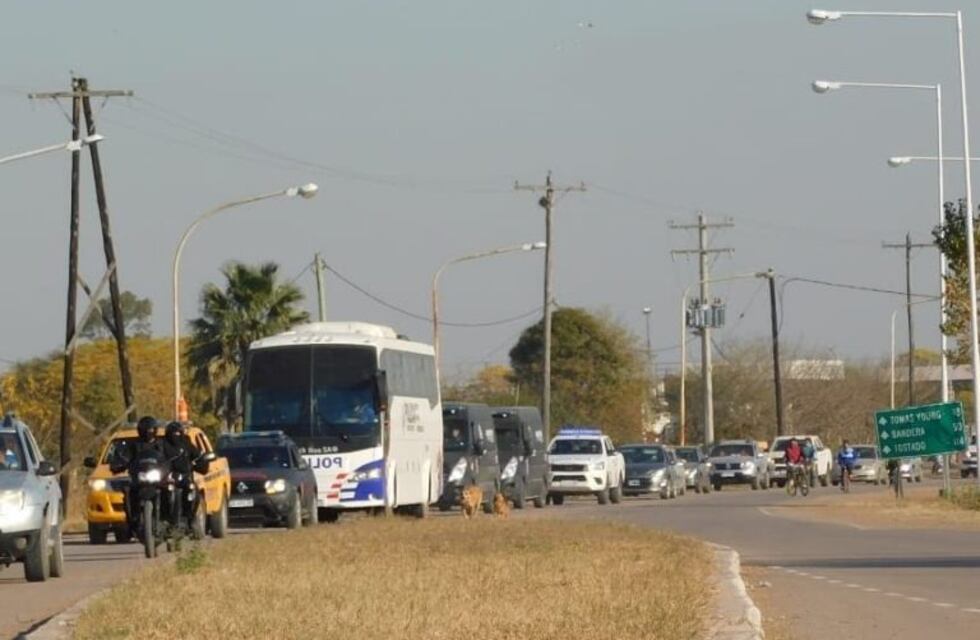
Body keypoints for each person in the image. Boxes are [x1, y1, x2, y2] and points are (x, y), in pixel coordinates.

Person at [110, 416, 164, 531]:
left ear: (155, 430)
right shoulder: (134, 445)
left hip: (158, 479)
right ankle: (132, 521)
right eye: (145, 430)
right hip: (139, 478)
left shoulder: (161, 445)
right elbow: (125, 458)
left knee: (170, 490)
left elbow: (168, 459)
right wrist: (119, 465)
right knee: (128, 491)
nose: (148, 433)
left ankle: (170, 521)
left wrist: (173, 467)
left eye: (150, 430)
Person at [161, 421, 203, 527]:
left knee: (192, 489)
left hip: (184, 476)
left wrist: (201, 462)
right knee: (160, 491)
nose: (176, 435)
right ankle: (163, 517)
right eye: (174, 433)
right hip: (167, 477)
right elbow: (156, 458)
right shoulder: (162, 444)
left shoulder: (186, 442)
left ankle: (190, 517)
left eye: (179, 432)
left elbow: (197, 455)